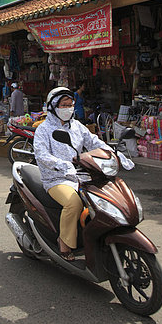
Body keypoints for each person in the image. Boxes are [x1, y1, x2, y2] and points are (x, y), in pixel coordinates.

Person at [33, 87, 111, 261]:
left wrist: (112, 153)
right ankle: (64, 242)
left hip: (81, 174)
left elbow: (93, 141)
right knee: (74, 203)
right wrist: (63, 166)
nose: (68, 108)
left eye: (70, 105)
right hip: (56, 178)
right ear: (53, 106)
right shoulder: (43, 129)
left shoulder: (76, 126)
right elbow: (42, 155)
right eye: (64, 105)